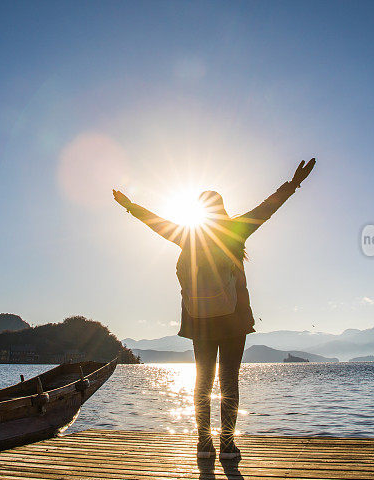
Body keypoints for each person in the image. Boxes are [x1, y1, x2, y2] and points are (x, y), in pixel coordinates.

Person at [113, 158, 316, 460]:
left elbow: (154, 221)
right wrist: (294, 183)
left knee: (202, 381)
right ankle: (227, 445)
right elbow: (267, 207)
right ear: (221, 208)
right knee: (229, 381)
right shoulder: (235, 229)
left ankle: (203, 445)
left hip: (200, 320)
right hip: (233, 320)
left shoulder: (187, 235)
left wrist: (130, 206)